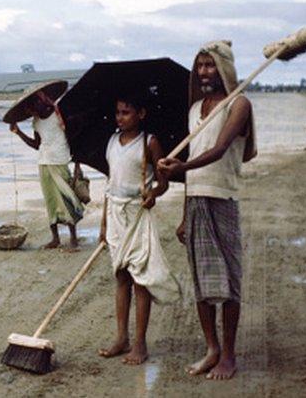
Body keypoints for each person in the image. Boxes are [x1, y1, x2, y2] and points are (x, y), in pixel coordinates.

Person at [157, 40, 256, 381]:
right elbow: (192, 165)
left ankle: (228, 355)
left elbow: (220, 148)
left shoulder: (239, 104)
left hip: (222, 198)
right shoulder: (194, 108)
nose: (203, 72)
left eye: (210, 65)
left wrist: (178, 169)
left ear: (224, 68)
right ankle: (211, 348)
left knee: (229, 283)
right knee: (202, 283)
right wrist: (184, 212)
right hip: (196, 199)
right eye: (199, 66)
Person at [97, 94, 180, 365]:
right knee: (121, 276)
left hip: (137, 214)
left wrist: (154, 193)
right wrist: (103, 222)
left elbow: (164, 183)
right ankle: (121, 337)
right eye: (118, 112)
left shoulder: (149, 142)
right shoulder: (112, 141)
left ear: (141, 114)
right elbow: (110, 185)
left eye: (126, 112)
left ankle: (139, 343)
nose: (120, 117)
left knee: (140, 278)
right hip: (116, 215)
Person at [10, 91, 84, 250]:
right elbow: (37, 145)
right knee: (50, 201)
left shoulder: (58, 114)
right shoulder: (36, 122)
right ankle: (55, 238)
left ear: (39, 102)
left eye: (32, 109)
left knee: (66, 199)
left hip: (60, 161)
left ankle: (73, 239)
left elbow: (74, 134)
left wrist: (77, 161)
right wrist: (18, 133)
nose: (32, 113)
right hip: (44, 162)